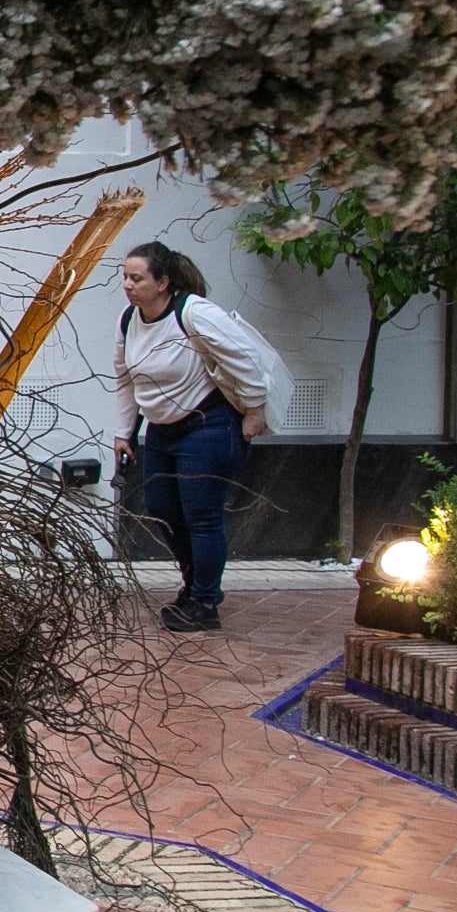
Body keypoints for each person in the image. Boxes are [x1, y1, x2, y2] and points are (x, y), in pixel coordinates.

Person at [109, 241, 274, 634]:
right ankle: (196, 584)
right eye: (125, 277)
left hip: (207, 424)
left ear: (163, 282)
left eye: (137, 278)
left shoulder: (194, 313)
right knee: (164, 510)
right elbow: (125, 379)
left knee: (201, 515)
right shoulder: (129, 320)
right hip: (162, 428)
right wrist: (122, 432)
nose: (128, 286)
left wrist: (253, 411)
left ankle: (204, 600)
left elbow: (246, 359)